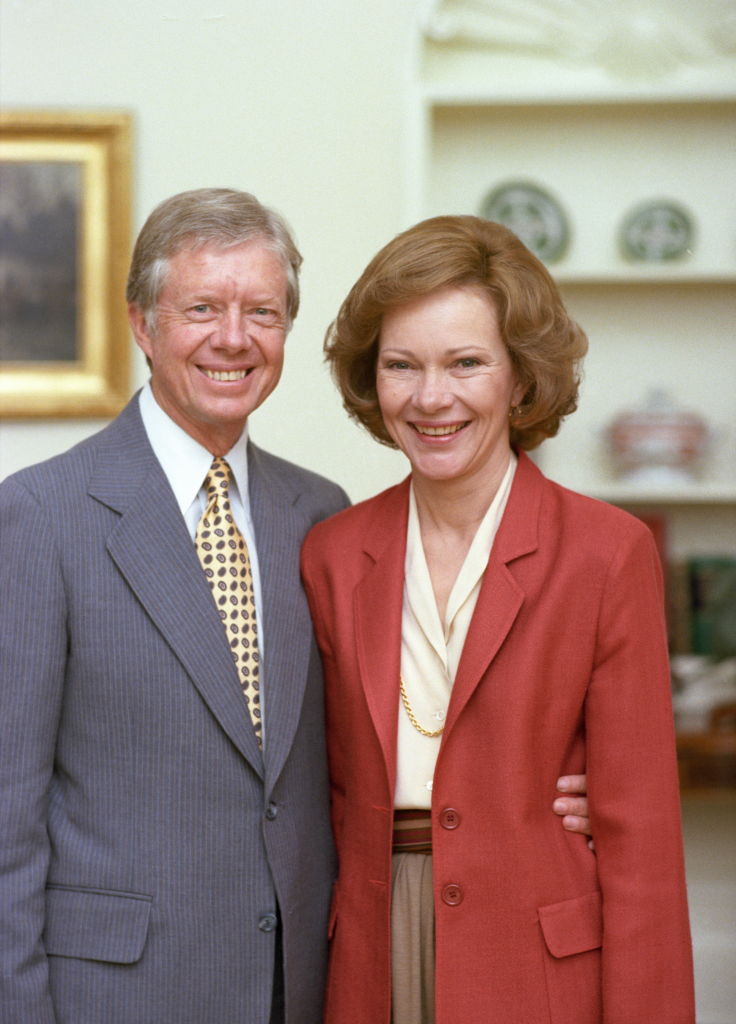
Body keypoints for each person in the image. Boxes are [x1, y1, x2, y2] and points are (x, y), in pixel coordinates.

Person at [0, 189, 591, 1024]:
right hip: (118, 991)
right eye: (202, 308)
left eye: (263, 311)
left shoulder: (321, 517)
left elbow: (380, 744)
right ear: (142, 324)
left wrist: (575, 787)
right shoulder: (40, 515)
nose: (234, 338)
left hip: (302, 983)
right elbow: (5, 819)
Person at [300, 215, 695, 1024]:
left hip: (537, 957)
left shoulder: (607, 554)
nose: (430, 397)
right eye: (401, 366)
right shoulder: (332, 554)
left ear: (520, 380)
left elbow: (642, 843)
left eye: (465, 363)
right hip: (371, 951)